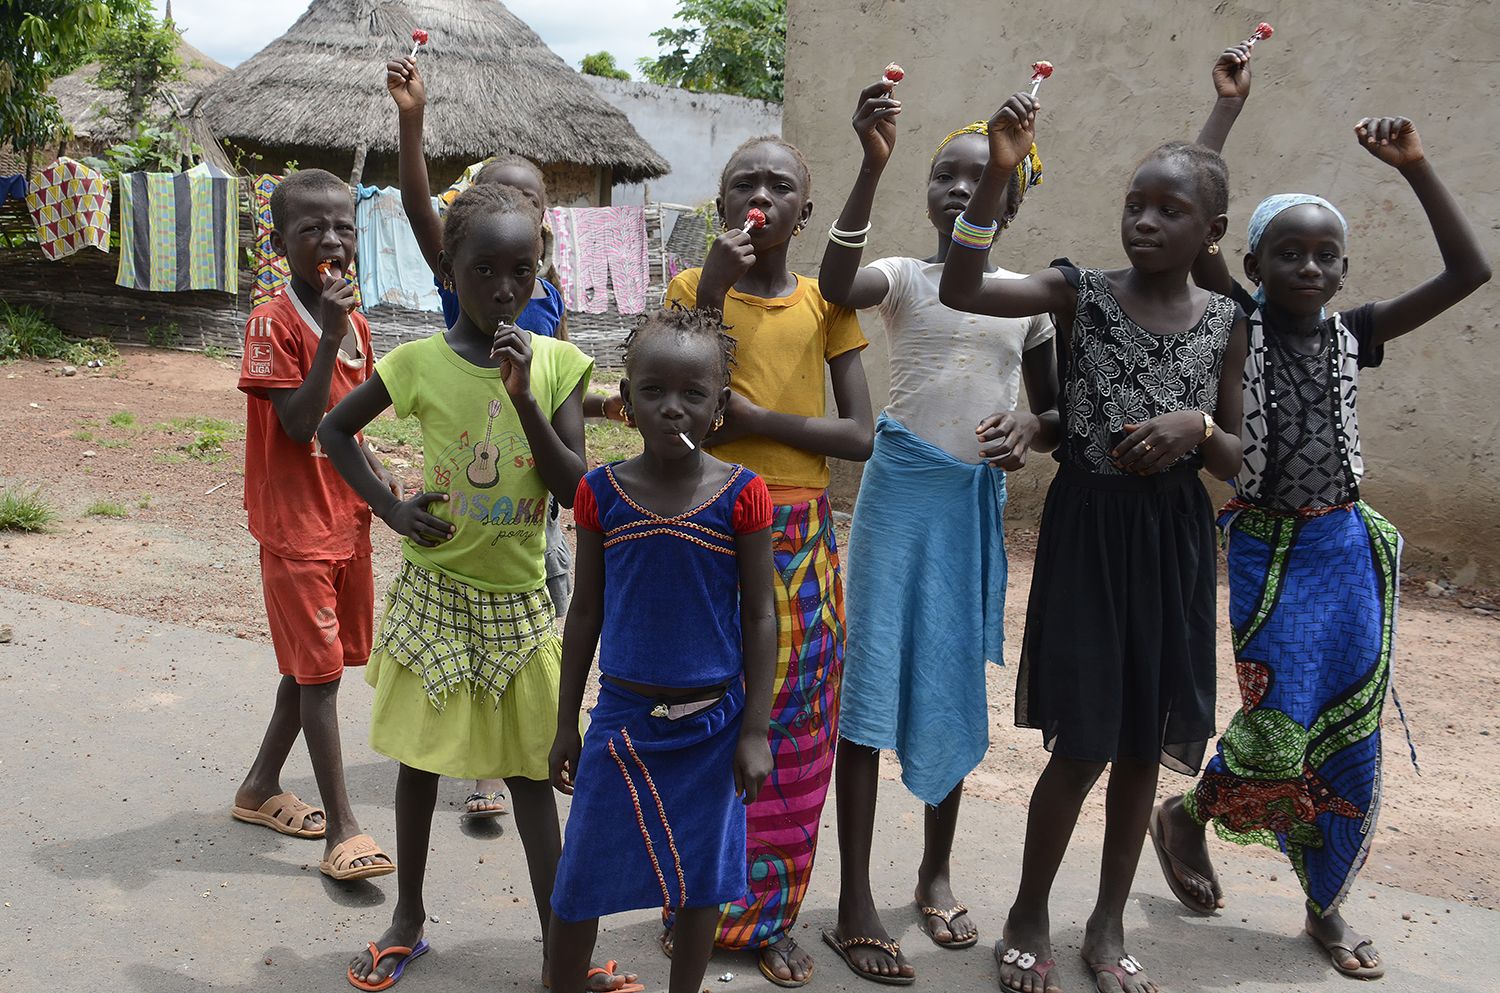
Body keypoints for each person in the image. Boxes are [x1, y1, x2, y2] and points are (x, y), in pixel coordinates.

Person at [1149, 44, 1491, 983]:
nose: (1307, 265)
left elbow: (1469, 270)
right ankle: (1188, 812)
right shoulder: (1236, 322)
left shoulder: (1356, 333)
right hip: (1268, 549)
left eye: (1324, 254)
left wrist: (1416, 167)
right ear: (1250, 262)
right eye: (1288, 252)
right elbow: (1190, 208)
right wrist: (1224, 111)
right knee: (1279, 724)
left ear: (1343, 271)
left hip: (1345, 548)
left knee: (1351, 726)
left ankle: (1324, 901)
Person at [940, 92, 1249, 993]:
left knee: (1143, 748)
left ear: (1212, 232)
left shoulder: (1229, 321)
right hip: (1089, 535)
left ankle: (1108, 921)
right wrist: (999, 172)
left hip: (1172, 541)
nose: (1145, 221)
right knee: (1082, 745)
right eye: (1135, 204)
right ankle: (1029, 910)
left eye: (1170, 210)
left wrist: (1197, 424)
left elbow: (1240, 455)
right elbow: (964, 288)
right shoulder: (1082, 292)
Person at [320, 183, 632, 992]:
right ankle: (407, 917)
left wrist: (523, 398)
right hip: (436, 593)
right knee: (420, 764)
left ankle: (559, 946)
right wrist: (390, 507)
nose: (502, 287)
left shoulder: (556, 363)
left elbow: (576, 491)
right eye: (483, 269)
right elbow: (333, 428)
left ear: (540, 272)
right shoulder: (417, 363)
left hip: (520, 601)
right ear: (447, 271)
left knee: (530, 777)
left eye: (520, 270)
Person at [815, 76, 1058, 985]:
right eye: (945, 175)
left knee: (950, 678)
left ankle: (935, 870)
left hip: (967, 509)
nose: (960, 188)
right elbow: (835, 284)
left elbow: (1057, 415)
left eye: (983, 177)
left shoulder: (1028, 300)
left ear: (1011, 198)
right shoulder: (907, 279)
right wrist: (870, 165)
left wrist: (1030, 427)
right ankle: (854, 896)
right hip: (898, 498)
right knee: (868, 684)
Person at [661, 134, 876, 988]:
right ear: (720, 205)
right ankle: (692, 905)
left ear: (804, 211)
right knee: (705, 712)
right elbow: (683, 413)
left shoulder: (828, 303)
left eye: (779, 184)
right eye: (744, 182)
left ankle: (772, 917)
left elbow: (857, 435)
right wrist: (714, 291)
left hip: (798, 539)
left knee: (796, 730)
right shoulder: (691, 289)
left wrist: (757, 420)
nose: (761, 196)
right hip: (708, 523)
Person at [386, 53, 619, 818]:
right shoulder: (471, 281)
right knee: (474, 632)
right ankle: (486, 772)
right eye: (499, 196)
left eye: (528, 201)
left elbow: (565, 406)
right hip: (468, 518)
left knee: (538, 627)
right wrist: (413, 121)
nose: (505, 286)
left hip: (534, 507)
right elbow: (419, 209)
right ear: (458, 258)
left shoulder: (547, 302)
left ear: (542, 228)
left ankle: (528, 744)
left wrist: (595, 404)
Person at [547, 305, 778, 993]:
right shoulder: (600, 494)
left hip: (714, 726)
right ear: (625, 400)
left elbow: (761, 615)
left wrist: (755, 730)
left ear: (720, 406)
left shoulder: (743, 495)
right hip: (622, 722)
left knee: (701, 881)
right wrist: (566, 723)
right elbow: (584, 612)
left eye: (692, 394)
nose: (672, 407)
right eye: (653, 391)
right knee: (580, 878)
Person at [231, 167, 396, 885]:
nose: (331, 240)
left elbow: (345, 422)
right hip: (296, 524)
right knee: (321, 675)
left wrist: (377, 470)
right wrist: (327, 337)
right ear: (279, 242)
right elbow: (299, 425)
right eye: (311, 229)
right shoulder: (272, 322)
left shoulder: (356, 321)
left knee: (312, 665)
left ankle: (259, 787)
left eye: (342, 228)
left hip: (343, 515)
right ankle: (345, 827)